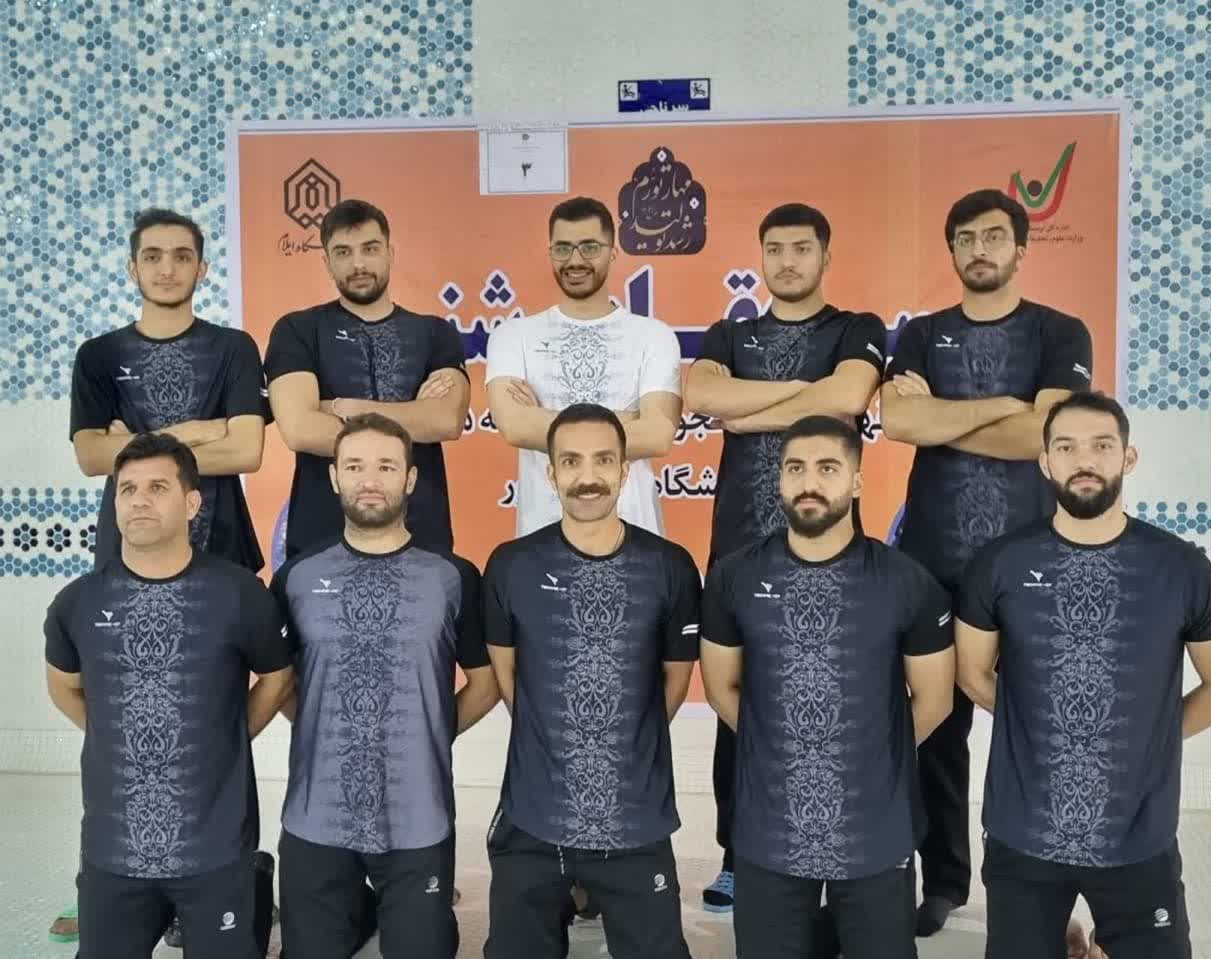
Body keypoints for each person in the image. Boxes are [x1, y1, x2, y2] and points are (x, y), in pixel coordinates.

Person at [955, 392, 1211, 959]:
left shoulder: (1181, 566)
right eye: (1066, 447)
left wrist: (1147, 738)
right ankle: (1066, 935)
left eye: (1101, 446)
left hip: (1138, 838)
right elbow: (971, 673)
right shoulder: (1001, 562)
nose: (1084, 460)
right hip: (1023, 831)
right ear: (1045, 462)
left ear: (1128, 458)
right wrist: (1040, 726)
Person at [879, 189, 1094, 935]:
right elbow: (899, 419)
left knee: (1041, 731)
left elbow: (1047, 436)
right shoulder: (921, 334)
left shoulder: (1059, 331)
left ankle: (1049, 892)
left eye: (994, 236)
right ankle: (942, 882)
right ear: (951, 250)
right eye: (965, 237)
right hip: (930, 563)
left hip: (1030, 566)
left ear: (1021, 248)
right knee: (935, 731)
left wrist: (944, 418)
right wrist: (1010, 407)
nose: (980, 248)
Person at [63, 206, 272, 947]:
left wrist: (140, 443)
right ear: (132, 267)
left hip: (224, 551)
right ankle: (115, 884)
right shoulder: (99, 355)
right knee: (126, 730)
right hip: (129, 559)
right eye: (152, 256)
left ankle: (218, 888)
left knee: (219, 735)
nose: (166, 268)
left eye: (182, 256)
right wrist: (197, 432)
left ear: (202, 268)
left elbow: (247, 450)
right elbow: (92, 458)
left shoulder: (233, 348)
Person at [684, 203, 885, 912]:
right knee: (735, 703)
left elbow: (850, 395)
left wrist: (745, 411)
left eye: (802, 248)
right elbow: (701, 394)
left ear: (826, 256)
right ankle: (738, 856)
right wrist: (812, 397)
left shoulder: (856, 328)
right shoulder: (729, 333)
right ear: (761, 257)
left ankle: (839, 853)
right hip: (740, 551)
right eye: (775, 249)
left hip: (832, 554)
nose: (788, 261)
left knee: (838, 699)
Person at [699, 415, 955, 958]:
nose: (809, 482)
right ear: (779, 479)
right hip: (769, 827)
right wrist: (782, 746)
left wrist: (868, 755)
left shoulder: (907, 581)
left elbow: (935, 700)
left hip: (875, 828)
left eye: (827, 468)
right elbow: (721, 687)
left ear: (856, 482)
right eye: (795, 468)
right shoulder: (734, 577)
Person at [44, 433, 294, 959]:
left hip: (216, 848)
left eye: (157, 487)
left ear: (192, 502)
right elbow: (63, 686)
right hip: (113, 850)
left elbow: (277, 677)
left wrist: (228, 733)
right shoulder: (77, 603)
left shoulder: (240, 595)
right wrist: (116, 731)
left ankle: (254, 879)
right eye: (127, 489)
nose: (139, 500)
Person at [270, 412, 498, 958]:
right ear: (334, 477)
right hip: (316, 814)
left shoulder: (453, 577)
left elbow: (487, 683)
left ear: (410, 479)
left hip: (418, 815)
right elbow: (280, 681)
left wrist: (432, 730)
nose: (369, 480)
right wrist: (324, 726)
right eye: (354, 466)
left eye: (386, 467)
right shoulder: (296, 577)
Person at [482, 404, 701, 959]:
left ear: (624, 470)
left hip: (636, 818)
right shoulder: (511, 565)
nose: (588, 476)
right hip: (533, 816)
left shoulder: (671, 566)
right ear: (550, 472)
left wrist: (616, 744)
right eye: (571, 461)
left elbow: (673, 683)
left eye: (603, 460)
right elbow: (510, 679)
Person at [266, 199, 469, 559]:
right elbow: (299, 429)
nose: (358, 264)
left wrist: (343, 407)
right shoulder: (297, 330)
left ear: (390, 252)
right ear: (327, 262)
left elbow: (445, 420)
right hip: (321, 539)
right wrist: (413, 415)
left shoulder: (435, 333)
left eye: (370, 249)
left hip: (422, 536)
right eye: (343, 252)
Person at [485, 196, 682, 537]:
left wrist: (544, 418)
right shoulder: (513, 336)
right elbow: (516, 427)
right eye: (563, 248)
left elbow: (657, 435)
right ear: (550, 252)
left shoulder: (654, 335)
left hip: (636, 536)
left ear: (613, 252)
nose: (575, 260)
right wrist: (625, 420)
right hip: (541, 536)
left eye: (589, 247)